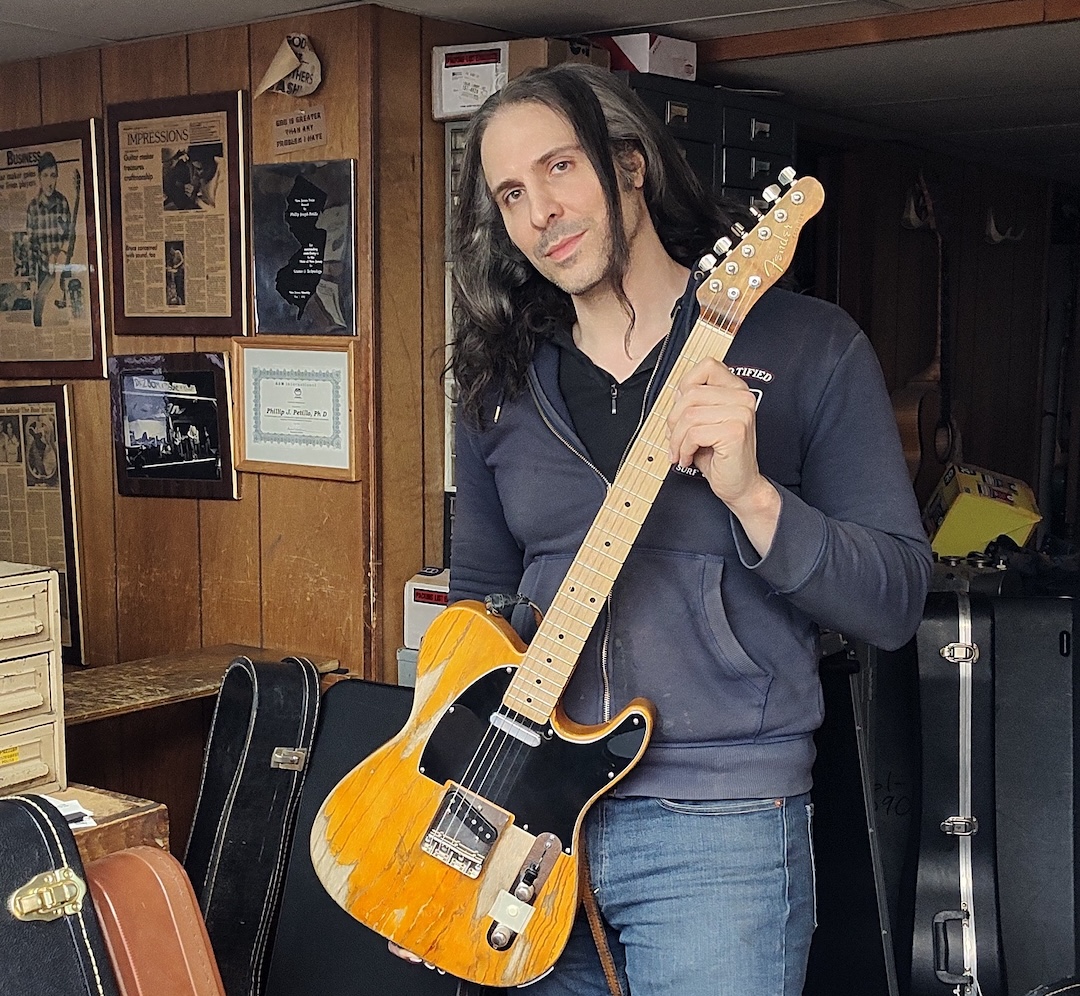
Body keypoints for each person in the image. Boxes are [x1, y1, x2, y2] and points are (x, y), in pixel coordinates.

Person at [397, 64, 932, 995]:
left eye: (560, 168)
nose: (540, 213)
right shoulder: (500, 385)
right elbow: (473, 632)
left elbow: (894, 601)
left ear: (630, 164)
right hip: (526, 826)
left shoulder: (806, 346)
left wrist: (755, 496)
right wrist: (440, 824)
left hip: (718, 829)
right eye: (511, 193)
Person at [25, 151, 72, 328]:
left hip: (61, 269)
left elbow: (69, 235)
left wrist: (62, 252)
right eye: (45, 176)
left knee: (64, 320)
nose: (49, 181)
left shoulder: (62, 202)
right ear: (39, 177)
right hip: (43, 272)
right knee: (40, 320)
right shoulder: (33, 208)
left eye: (53, 175)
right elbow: (30, 246)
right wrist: (33, 280)